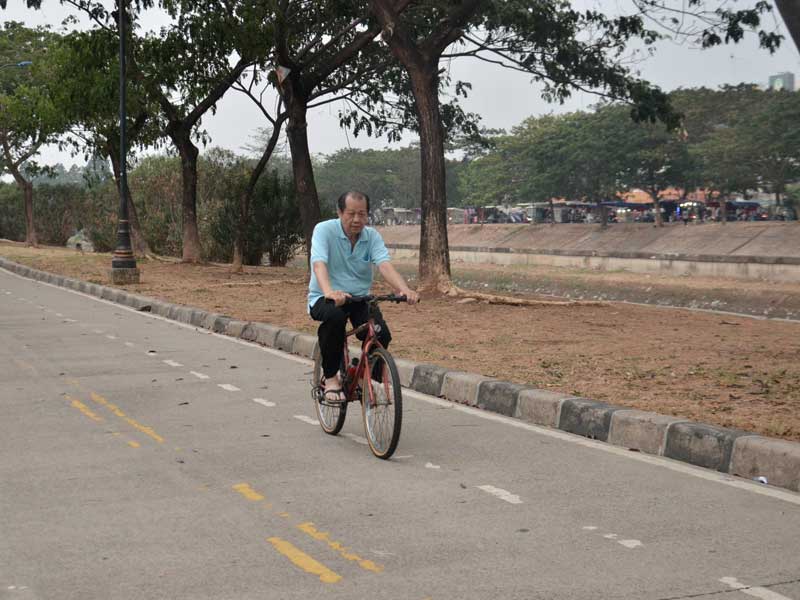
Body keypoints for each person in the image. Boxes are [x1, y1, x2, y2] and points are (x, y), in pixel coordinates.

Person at [308, 191, 419, 403]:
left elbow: (384, 265)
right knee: (335, 319)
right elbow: (319, 263)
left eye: (362, 214)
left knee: (381, 333)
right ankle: (331, 377)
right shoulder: (324, 230)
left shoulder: (372, 236)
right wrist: (329, 292)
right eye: (351, 214)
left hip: (360, 299)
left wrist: (403, 289)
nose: (357, 219)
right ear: (339, 212)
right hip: (327, 297)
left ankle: (368, 381)